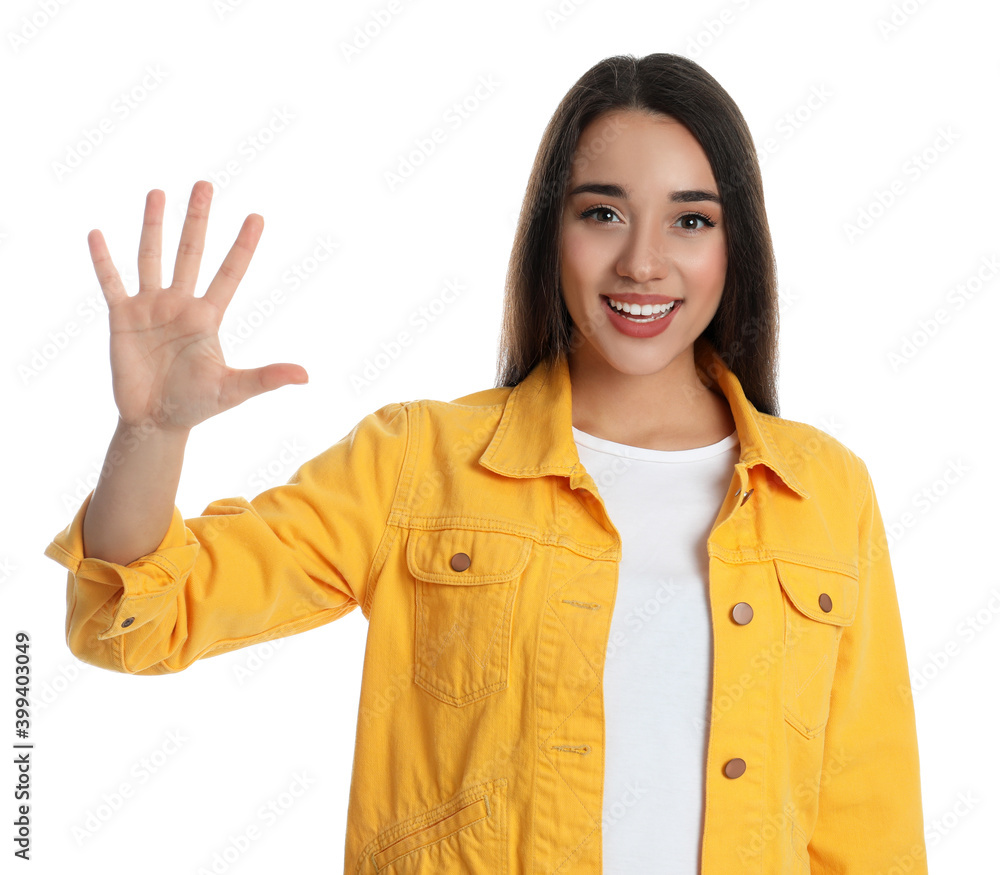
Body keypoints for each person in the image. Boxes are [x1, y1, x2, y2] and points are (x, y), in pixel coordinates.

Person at [44, 52, 927, 873]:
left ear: (738, 247)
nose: (644, 261)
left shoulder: (825, 491)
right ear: (553, 232)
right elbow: (141, 618)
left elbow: (868, 830)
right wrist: (153, 431)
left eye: (691, 219)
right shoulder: (419, 462)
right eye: (603, 213)